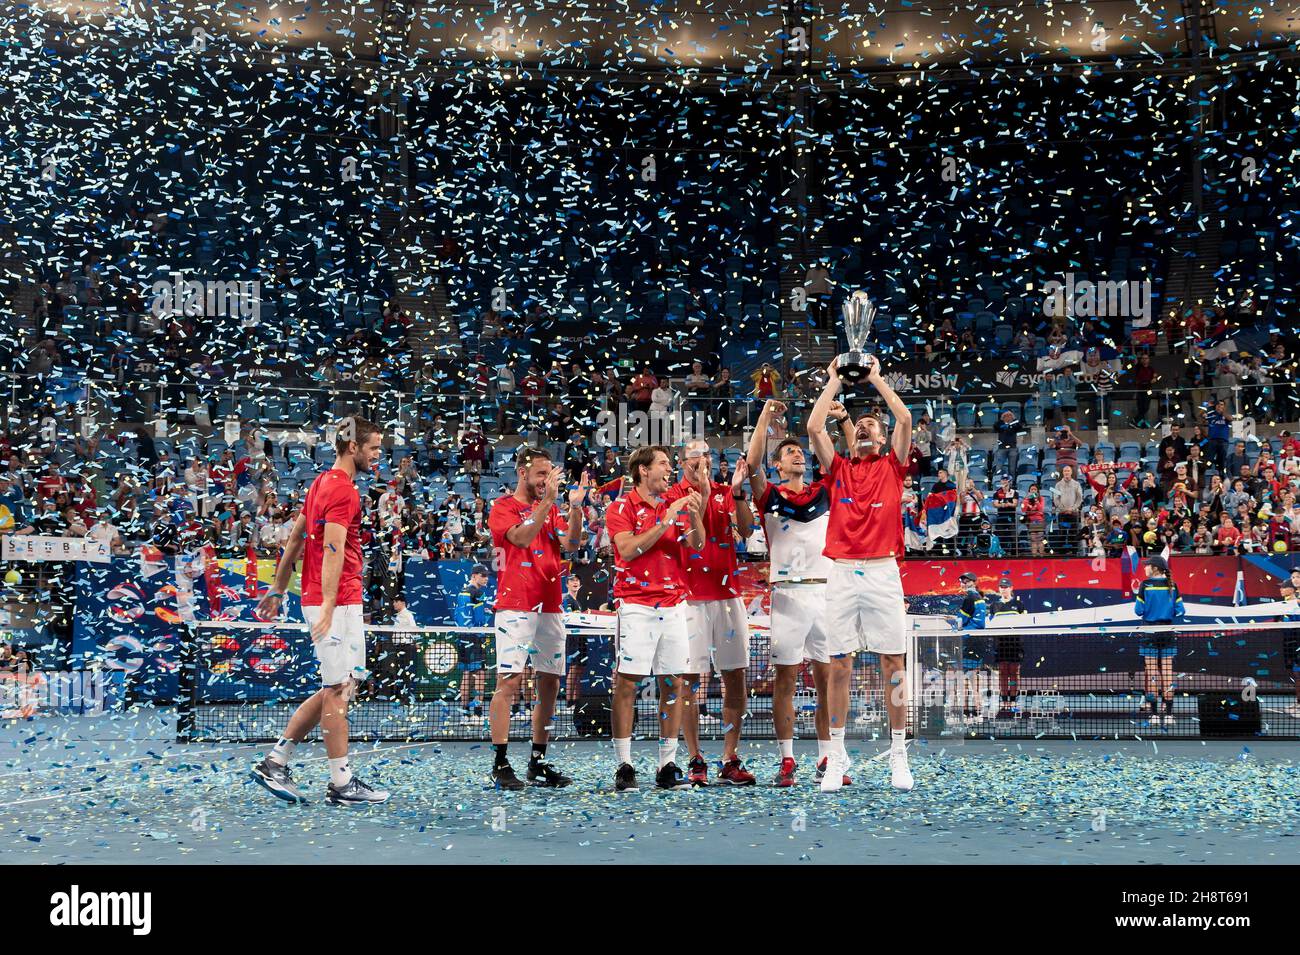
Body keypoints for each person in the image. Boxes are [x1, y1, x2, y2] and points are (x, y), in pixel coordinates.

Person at [251, 416, 390, 806]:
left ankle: (276, 760)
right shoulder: (343, 490)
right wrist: (329, 601)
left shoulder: (319, 484)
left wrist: (278, 587)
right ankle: (341, 783)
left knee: (343, 684)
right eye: (374, 447)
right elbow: (331, 547)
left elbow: (295, 538)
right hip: (336, 599)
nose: (378, 455)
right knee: (337, 689)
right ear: (352, 447)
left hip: (338, 598)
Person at [806, 354, 914, 792]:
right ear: (851, 440)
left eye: (875, 427)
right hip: (843, 572)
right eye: (861, 426)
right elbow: (815, 427)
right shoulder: (839, 470)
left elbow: (904, 416)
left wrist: (875, 379)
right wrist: (833, 380)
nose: (867, 428)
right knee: (839, 665)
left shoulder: (893, 466)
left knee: (893, 663)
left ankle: (899, 756)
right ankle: (835, 757)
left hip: (884, 570)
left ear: (885, 439)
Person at [747, 399, 849, 787]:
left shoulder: (825, 492)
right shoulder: (769, 497)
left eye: (799, 451)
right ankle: (787, 760)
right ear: (778, 465)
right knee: (785, 682)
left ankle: (827, 758)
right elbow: (752, 463)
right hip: (787, 597)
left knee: (827, 684)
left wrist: (840, 420)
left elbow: (840, 456)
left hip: (825, 595)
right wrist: (764, 417)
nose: (798, 455)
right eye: (790, 452)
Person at [484, 448, 588, 789]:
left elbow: (571, 543)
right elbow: (522, 537)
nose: (547, 481)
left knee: (549, 683)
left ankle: (537, 761)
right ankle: (500, 762)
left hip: (550, 606)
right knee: (509, 682)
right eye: (541, 475)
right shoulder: (502, 508)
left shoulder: (555, 508)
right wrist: (549, 503)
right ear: (522, 474)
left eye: (550, 474)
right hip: (515, 606)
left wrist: (574, 507)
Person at [604, 445, 705, 791]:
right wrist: (665, 520)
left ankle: (667, 765)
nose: (670, 469)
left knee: (673, 683)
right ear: (643, 470)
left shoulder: (674, 506)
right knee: (628, 683)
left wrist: (693, 514)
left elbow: (698, 545)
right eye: (663, 464)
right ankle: (625, 764)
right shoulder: (621, 507)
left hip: (674, 604)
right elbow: (629, 549)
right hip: (636, 605)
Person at [668, 438, 755, 785]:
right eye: (694, 456)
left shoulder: (725, 491)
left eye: (706, 454)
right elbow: (694, 540)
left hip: (727, 595)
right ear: (681, 462)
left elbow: (746, 531)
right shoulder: (672, 495)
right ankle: (695, 759)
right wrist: (701, 494)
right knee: (688, 681)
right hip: (689, 598)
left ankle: (729, 758)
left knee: (735, 677)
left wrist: (737, 493)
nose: (702, 460)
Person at [1134, 555, 1185, 727]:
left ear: (1155, 568)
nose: (1145, 568)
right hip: (1167, 632)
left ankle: (1155, 715)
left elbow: (1138, 611)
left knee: (1152, 674)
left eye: (1147, 566)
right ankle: (1169, 715)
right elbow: (1181, 610)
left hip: (1149, 633)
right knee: (1168, 673)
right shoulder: (1173, 586)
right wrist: (1166, 611)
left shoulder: (1145, 585)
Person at [452, 564, 492, 717]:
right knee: (480, 674)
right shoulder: (478, 593)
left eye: (487, 575)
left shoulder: (462, 592)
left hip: (462, 636)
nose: (486, 578)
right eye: (483, 575)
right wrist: (486, 617)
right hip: (475, 637)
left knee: (467, 674)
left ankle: (465, 713)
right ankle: (477, 713)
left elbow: (459, 615)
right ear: (474, 576)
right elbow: (480, 619)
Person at [954, 571, 992, 720]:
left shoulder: (970, 598)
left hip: (968, 641)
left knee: (964, 679)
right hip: (978, 642)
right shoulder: (979, 598)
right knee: (973, 678)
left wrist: (952, 621)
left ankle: (966, 713)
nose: (963, 584)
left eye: (966, 581)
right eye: (962, 581)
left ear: (974, 582)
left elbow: (961, 621)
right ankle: (977, 712)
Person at [990, 578, 1026, 716]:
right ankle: (1005, 702)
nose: (1003, 589)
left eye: (1006, 586)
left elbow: (1024, 623)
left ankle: (1014, 701)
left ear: (1011, 588)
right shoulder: (994, 605)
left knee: (1014, 672)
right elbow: (991, 623)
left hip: (1016, 644)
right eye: (1001, 586)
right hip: (1001, 644)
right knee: (1003, 673)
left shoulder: (1019, 604)